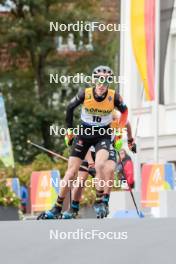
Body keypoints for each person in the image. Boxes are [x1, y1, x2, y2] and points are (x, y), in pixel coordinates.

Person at [37, 65, 128, 219]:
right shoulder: (85, 94)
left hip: (102, 134)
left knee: (99, 165)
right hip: (84, 134)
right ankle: (57, 207)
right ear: (94, 81)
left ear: (109, 83)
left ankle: (100, 202)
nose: (101, 85)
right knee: (71, 172)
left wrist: (118, 132)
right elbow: (69, 108)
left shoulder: (115, 97)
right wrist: (69, 130)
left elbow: (125, 112)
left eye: (105, 81)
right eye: (99, 80)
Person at [62, 110, 136, 219]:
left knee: (110, 170)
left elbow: (128, 124)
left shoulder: (117, 120)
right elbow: (83, 147)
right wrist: (91, 163)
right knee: (81, 180)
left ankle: (104, 201)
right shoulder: (90, 123)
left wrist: (130, 141)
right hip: (88, 150)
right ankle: (73, 207)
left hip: (105, 148)